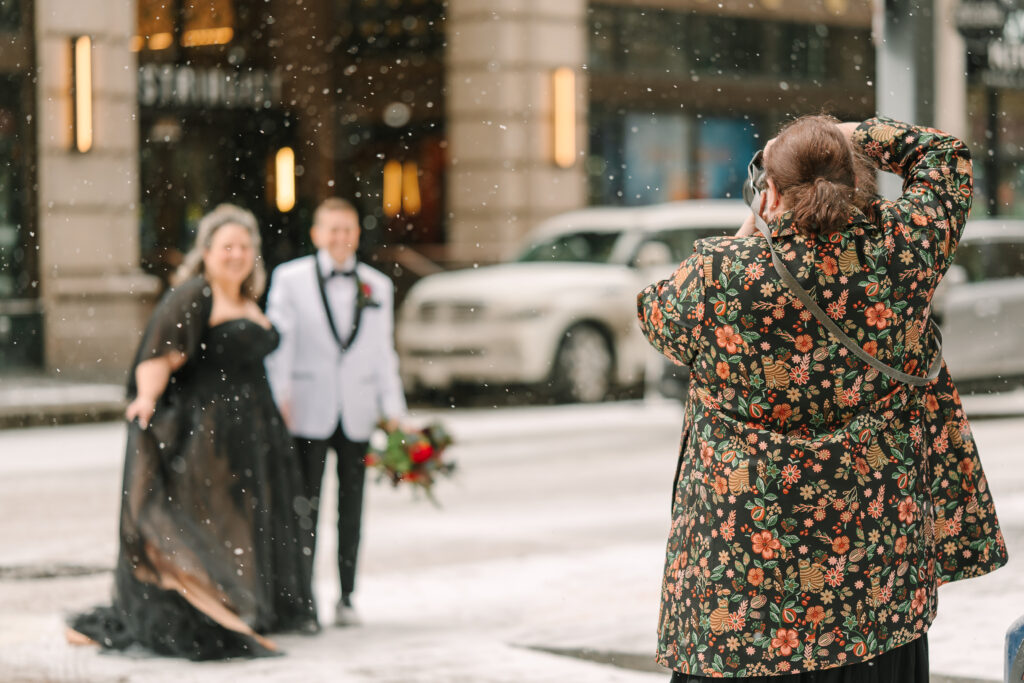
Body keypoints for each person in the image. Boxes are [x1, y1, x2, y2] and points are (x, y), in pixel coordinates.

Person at [637, 116, 1008, 680]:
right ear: (854, 181)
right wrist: (850, 131)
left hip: (739, 597)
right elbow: (946, 159)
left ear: (771, 192)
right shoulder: (900, 252)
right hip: (874, 578)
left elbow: (654, 313)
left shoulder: (720, 276)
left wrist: (751, 224)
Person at [68, 204, 318, 660]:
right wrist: (146, 398)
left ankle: (250, 602)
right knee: (215, 519)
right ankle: (216, 599)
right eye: (227, 247)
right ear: (206, 252)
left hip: (258, 429)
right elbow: (158, 355)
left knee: (248, 518)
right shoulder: (192, 295)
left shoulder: (247, 298)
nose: (236, 255)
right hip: (210, 431)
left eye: (244, 247)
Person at [264, 197, 406, 627]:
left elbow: (383, 354)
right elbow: (280, 346)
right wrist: (279, 398)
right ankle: (303, 601)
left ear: (357, 235)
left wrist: (395, 412)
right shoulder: (289, 280)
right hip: (307, 410)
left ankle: (347, 597)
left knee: (352, 509)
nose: (340, 238)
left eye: (347, 230)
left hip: (358, 412)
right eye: (332, 229)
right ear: (317, 235)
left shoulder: (377, 286)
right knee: (303, 509)